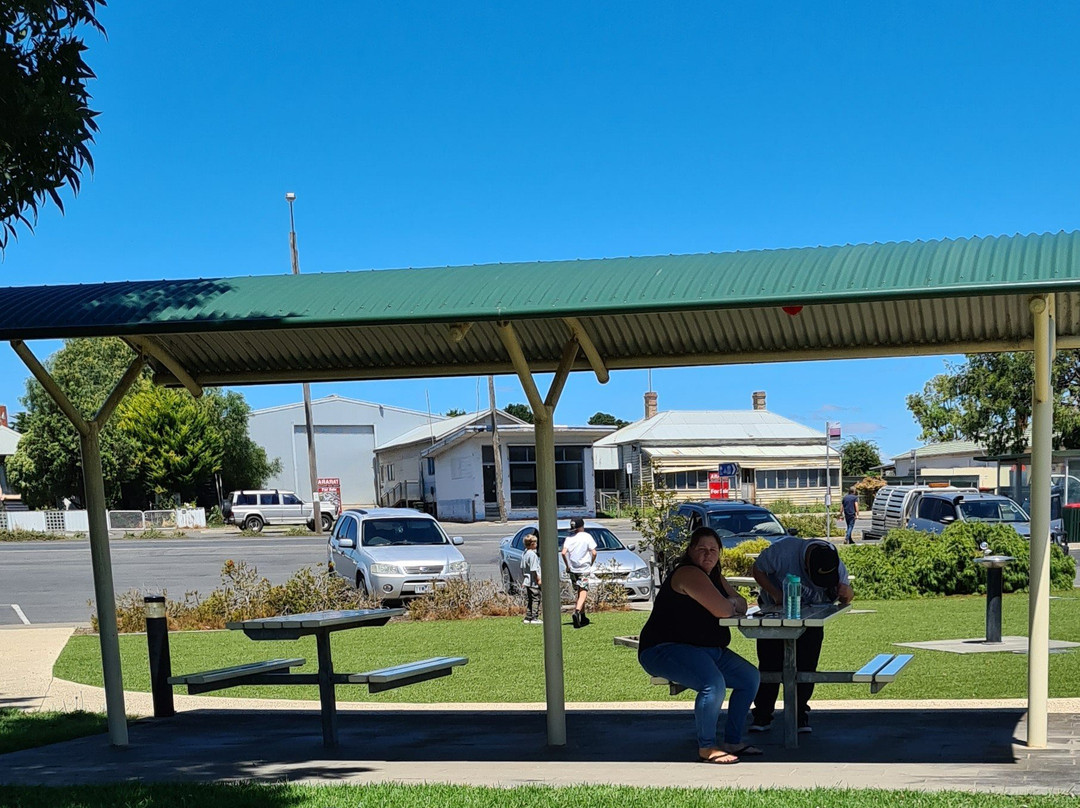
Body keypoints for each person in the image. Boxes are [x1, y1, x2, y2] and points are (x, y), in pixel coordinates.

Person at [637, 527, 762, 764]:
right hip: (666, 648)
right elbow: (726, 610)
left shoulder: (714, 575)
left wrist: (730, 602)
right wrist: (730, 603)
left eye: (713, 550)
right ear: (690, 551)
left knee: (749, 678)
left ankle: (733, 740)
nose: (708, 555)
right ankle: (707, 747)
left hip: (707, 648)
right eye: (702, 549)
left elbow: (742, 605)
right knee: (712, 684)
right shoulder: (688, 574)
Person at [749, 537, 853, 735]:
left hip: (813, 619)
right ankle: (762, 713)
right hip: (775, 615)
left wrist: (847, 592)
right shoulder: (783, 551)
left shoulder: (833, 560)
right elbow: (758, 568)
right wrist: (775, 593)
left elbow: (846, 596)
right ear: (805, 564)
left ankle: (799, 713)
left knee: (806, 666)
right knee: (769, 664)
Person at [561, 516, 597, 628]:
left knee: (579, 592)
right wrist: (591, 562)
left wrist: (568, 565)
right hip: (584, 569)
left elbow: (563, 553)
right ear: (582, 526)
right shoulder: (587, 537)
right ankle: (576, 612)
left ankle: (583, 615)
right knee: (583, 591)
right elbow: (594, 552)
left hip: (573, 569)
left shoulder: (569, 538)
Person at [520, 532, 542, 624]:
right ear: (532, 544)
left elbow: (522, 567)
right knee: (536, 598)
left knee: (530, 599)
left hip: (527, 581)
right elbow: (534, 569)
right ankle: (534, 617)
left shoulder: (525, 553)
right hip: (533, 582)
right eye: (536, 543)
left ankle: (528, 617)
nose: (537, 545)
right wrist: (538, 579)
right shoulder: (532, 555)